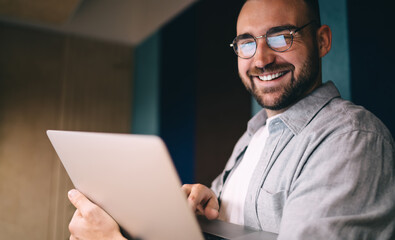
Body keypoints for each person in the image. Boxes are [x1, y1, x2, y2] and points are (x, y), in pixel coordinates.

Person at [67, 0, 395, 239]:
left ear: (322, 40)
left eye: (282, 36)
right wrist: (215, 211)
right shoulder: (254, 135)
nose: (262, 59)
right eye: (247, 43)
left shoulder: (348, 138)